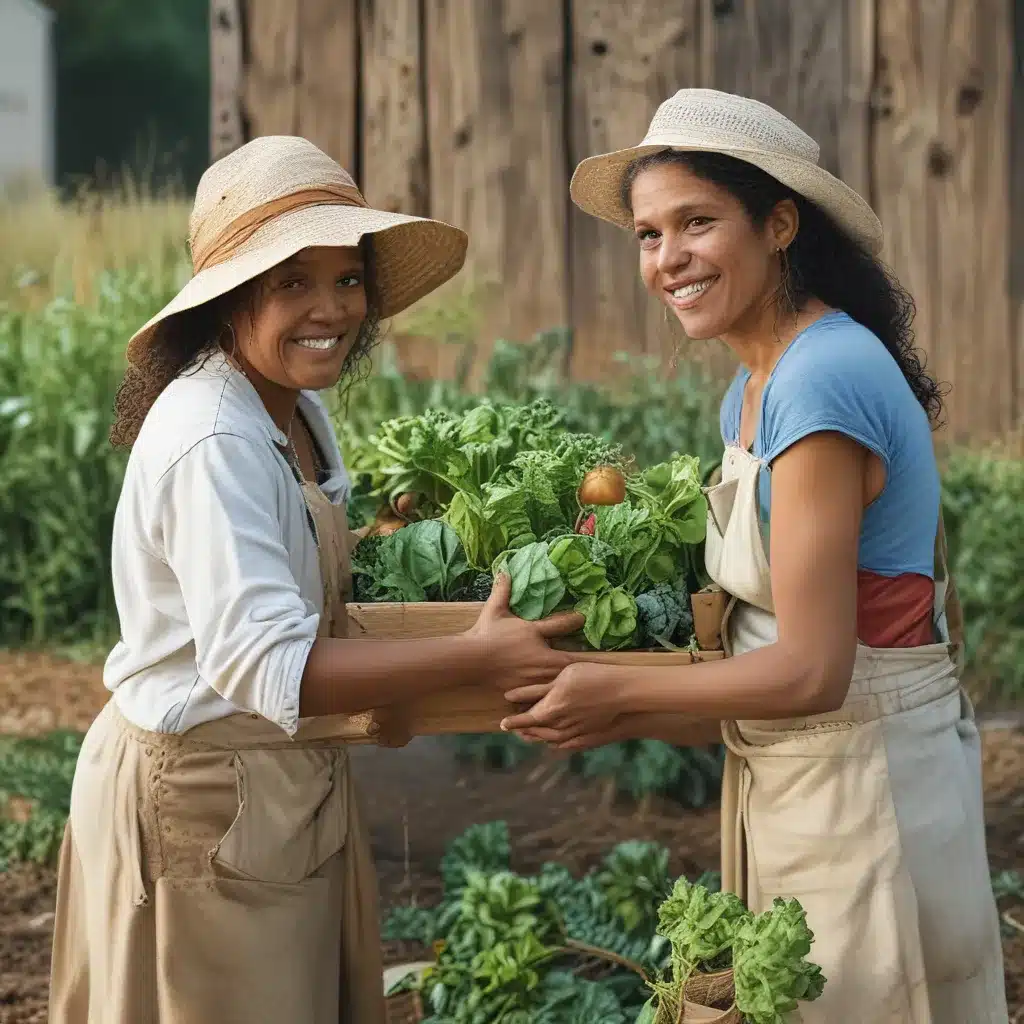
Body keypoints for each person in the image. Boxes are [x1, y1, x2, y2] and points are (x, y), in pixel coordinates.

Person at [48, 135, 582, 1024]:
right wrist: (473, 655)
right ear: (230, 299)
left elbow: (289, 578)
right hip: (208, 802)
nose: (329, 308)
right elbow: (271, 666)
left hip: (273, 788)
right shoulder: (214, 440)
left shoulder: (289, 408)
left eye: (346, 278)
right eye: (292, 281)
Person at [501, 89, 1008, 1022]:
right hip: (808, 776)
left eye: (698, 223)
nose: (669, 259)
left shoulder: (822, 377)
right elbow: (771, 631)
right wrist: (628, 708)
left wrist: (618, 692)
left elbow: (814, 669)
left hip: (868, 787)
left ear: (780, 224)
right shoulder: (753, 385)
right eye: (650, 235)